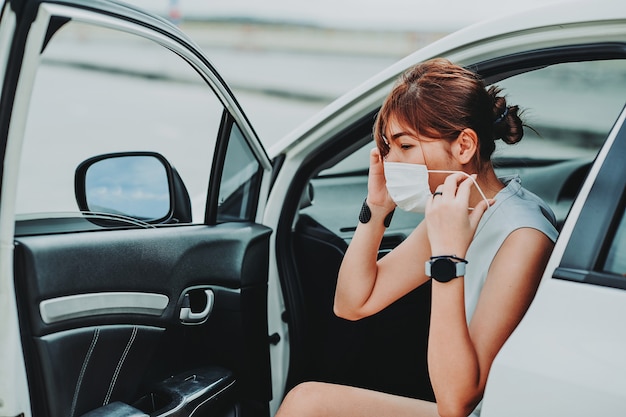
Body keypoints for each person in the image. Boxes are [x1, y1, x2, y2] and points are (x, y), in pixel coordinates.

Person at [276, 58, 558, 417]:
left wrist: (447, 259)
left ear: (464, 146)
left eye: (405, 146)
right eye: (388, 148)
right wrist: (376, 209)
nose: (390, 161)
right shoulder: (455, 209)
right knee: (307, 400)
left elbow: (457, 402)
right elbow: (352, 304)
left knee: (308, 405)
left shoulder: (523, 237)